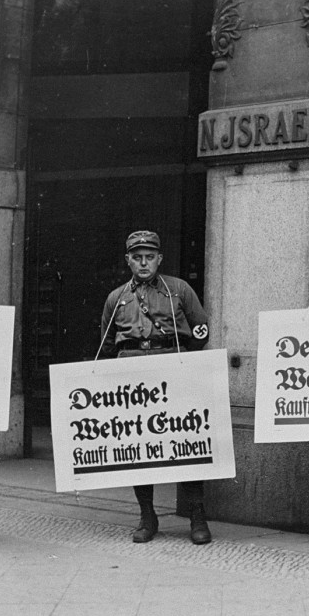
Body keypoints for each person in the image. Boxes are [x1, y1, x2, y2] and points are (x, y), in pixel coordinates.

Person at [99, 230, 213, 545]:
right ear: (128, 261)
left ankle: (197, 516)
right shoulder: (117, 298)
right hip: (133, 375)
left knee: (186, 444)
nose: (144, 263)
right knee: (140, 448)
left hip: (172, 370)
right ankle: (147, 516)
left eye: (150, 257)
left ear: (159, 259)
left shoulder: (179, 290)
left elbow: (200, 329)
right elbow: (107, 345)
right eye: (137, 257)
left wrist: (181, 360)